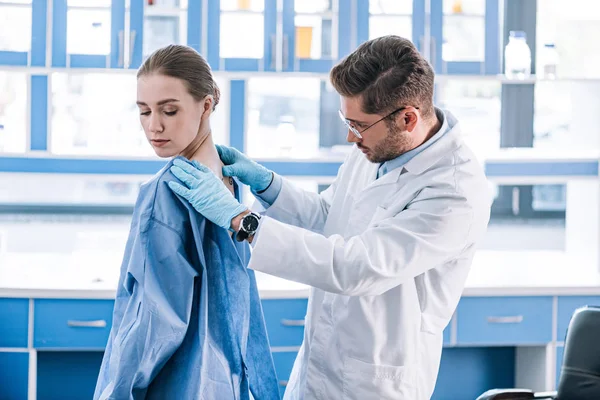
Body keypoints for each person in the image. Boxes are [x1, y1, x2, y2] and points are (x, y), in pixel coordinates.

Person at [168, 35, 492, 399]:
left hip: (374, 381)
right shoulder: (376, 144)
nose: (350, 137)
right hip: (319, 366)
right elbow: (329, 216)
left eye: (358, 125)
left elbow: (355, 267)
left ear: (407, 118)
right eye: (347, 120)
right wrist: (267, 184)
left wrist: (242, 220)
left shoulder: (455, 192)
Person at [94, 44, 279, 400]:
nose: (154, 126)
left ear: (206, 105)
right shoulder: (228, 184)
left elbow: (152, 322)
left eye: (169, 110)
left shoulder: (167, 192)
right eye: (144, 111)